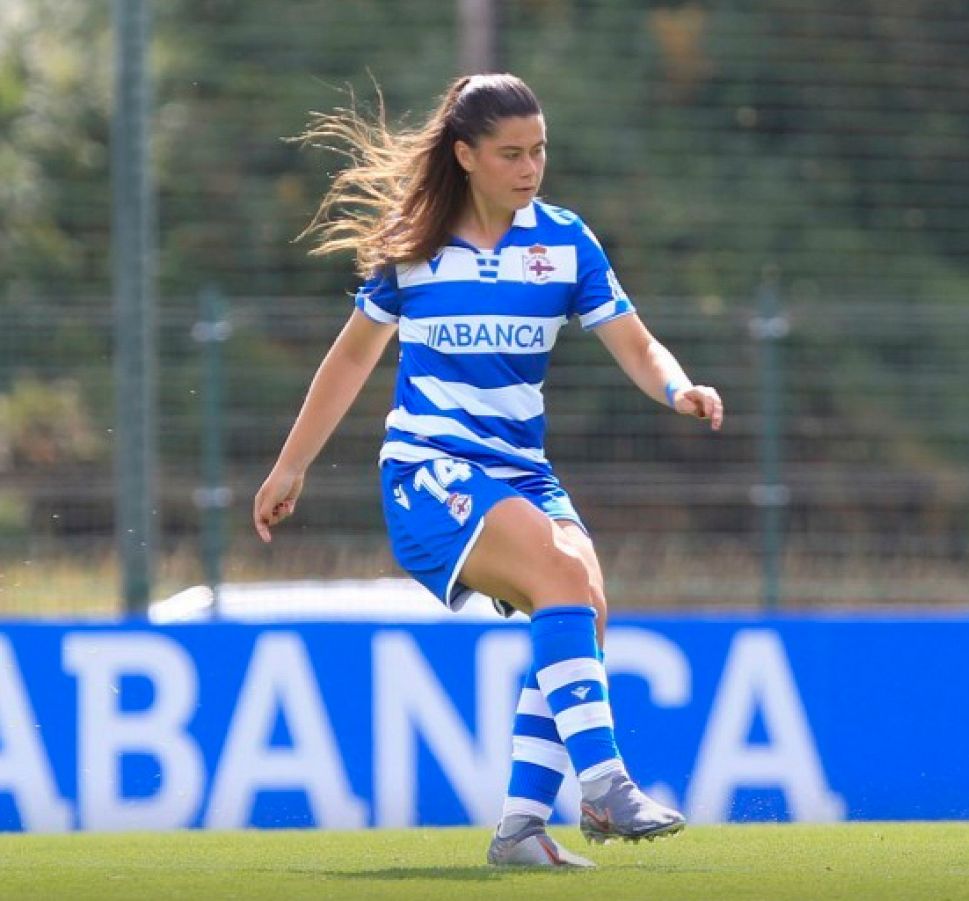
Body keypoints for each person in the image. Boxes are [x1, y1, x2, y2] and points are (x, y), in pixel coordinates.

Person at [252, 73, 722, 869]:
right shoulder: (417, 248)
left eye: (539, 149)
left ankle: (519, 829)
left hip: (519, 473)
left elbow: (637, 344)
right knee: (562, 581)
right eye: (510, 153)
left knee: (583, 608)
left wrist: (679, 387)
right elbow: (350, 360)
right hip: (429, 471)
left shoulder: (565, 242)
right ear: (466, 155)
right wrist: (290, 465)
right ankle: (605, 784)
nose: (530, 166)